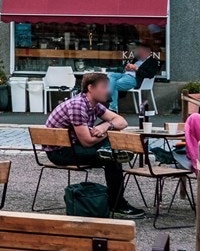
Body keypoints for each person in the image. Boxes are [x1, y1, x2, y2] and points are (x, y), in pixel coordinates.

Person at [42, 71, 144, 217]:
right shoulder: (78, 105)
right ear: (90, 88)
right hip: (60, 152)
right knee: (112, 157)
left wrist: (105, 126)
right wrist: (107, 131)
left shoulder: (93, 104)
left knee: (111, 149)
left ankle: (114, 155)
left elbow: (122, 122)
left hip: (75, 146)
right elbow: (87, 141)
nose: (108, 91)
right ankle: (117, 204)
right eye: (103, 87)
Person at [105, 42, 161, 113]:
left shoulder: (153, 62)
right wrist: (126, 68)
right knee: (111, 74)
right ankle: (109, 92)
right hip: (124, 75)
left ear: (147, 52)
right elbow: (124, 68)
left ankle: (113, 108)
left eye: (140, 51)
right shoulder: (136, 59)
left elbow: (150, 75)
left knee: (114, 84)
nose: (138, 53)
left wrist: (136, 69)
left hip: (134, 79)